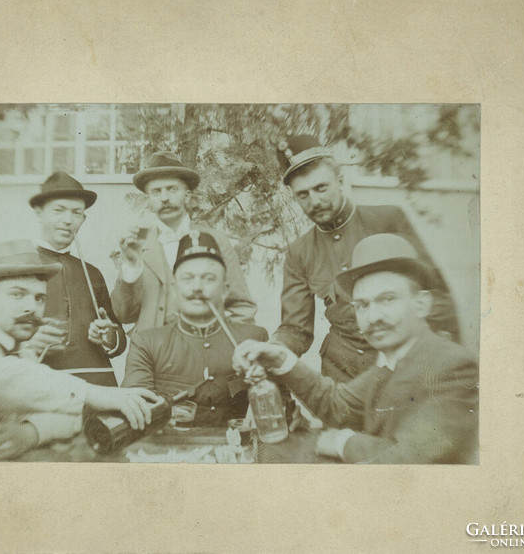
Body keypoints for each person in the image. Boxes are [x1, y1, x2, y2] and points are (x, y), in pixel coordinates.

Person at [233, 234, 478, 464]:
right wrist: (281, 359)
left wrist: (343, 442)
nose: (373, 317)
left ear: (422, 304)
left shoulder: (453, 366)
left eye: (388, 299)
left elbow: (410, 459)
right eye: (362, 305)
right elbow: (337, 405)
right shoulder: (391, 363)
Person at [272, 135, 459, 382]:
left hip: (404, 368)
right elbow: (295, 329)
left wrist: (439, 362)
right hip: (342, 372)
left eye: (321, 188)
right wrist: (273, 349)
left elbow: (436, 298)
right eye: (303, 194)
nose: (314, 201)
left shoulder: (387, 220)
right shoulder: (299, 252)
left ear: (340, 181)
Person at [0, 239, 161, 460]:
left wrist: (32, 432)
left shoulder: (19, 350)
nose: (31, 307)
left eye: (39, 298)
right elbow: (5, 378)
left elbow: (71, 415)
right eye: (17, 294)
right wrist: (97, 394)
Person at [122, 231, 268, 427]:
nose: (197, 287)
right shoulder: (147, 343)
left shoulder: (254, 340)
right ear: (174, 289)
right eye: (188, 279)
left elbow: (281, 411)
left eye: (208, 278)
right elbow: (134, 410)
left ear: (225, 290)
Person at [111, 151, 256, 334]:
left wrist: (231, 350)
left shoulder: (216, 240)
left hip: (202, 352)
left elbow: (241, 305)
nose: (164, 198)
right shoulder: (137, 243)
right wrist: (131, 265)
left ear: (187, 196)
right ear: (149, 200)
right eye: (156, 191)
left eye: (172, 189)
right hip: (151, 355)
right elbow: (123, 314)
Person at [29, 172, 127, 387]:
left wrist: (109, 336)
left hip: (96, 385)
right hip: (42, 387)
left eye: (76, 213)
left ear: (83, 219)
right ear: (39, 213)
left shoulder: (92, 273)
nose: (68, 220)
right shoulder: (19, 268)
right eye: (58, 210)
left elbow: (118, 340)